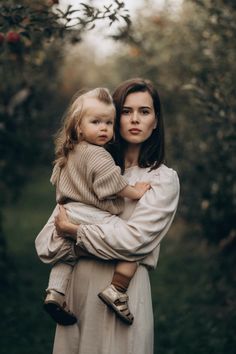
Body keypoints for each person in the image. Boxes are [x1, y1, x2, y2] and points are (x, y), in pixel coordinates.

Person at [36, 78, 180, 354]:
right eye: (126, 111)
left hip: (123, 292)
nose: (135, 119)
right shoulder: (89, 168)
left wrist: (77, 233)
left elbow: (134, 240)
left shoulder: (162, 179)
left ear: (156, 121)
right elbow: (49, 240)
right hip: (77, 290)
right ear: (113, 119)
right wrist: (69, 231)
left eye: (144, 111)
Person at [36, 87, 151, 327]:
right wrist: (136, 191)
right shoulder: (99, 155)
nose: (104, 128)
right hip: (88, 211)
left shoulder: (69, 152)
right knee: (126, 233)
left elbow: (58, 181)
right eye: (96, 121)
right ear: (78, 126)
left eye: (108, 123)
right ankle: (118, 289)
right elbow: (115, 184)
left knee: (66, 255)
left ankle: (55, 293)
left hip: (66, 209)